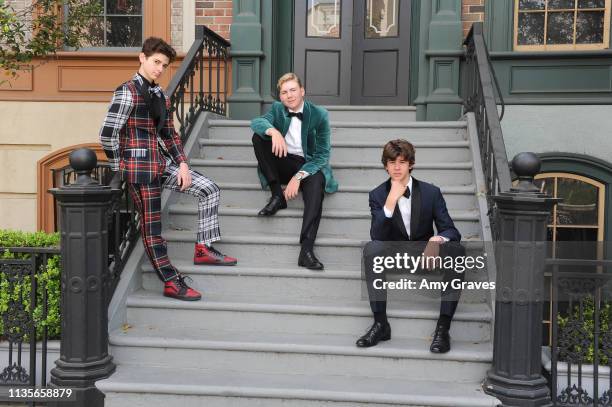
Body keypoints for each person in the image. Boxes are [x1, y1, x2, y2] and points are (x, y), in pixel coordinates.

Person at [99, 37, 237, 302]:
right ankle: (172, 282)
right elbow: (107, 134)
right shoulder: (126, 91)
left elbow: (169, 133)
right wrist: (121, 166)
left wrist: (183, 163)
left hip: (161, 165)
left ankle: (203, 248)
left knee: (209, 189)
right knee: (153, 231)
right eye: (156, 62)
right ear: (142, 58)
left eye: (163, 64)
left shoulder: (159, 93)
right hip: (139, 170)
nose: (159, 68)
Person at [356, 139, 463, 353]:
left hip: (425, 255)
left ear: (411, 164)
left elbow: (452, 231)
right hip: (394, 255)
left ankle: (443, 328)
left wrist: (437, 240)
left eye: (402, 162)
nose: (396, 167)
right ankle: (380, 324)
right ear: (385, 165)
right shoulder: (377, 195)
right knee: (371, 249)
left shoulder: (431, 193)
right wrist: (390, 202)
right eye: (391, 162)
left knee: (457, 251)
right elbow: (376, 236)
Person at [250, 73, 338, 270]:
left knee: (316, 185)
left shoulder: (319, 114)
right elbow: (256, 122)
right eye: (284, 92)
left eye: (293, 90)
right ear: (280, 97)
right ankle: (277, 195)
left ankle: (306, 250)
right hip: (284, 161)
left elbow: (322, 155)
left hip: (309, 165)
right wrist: (273, 132)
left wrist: (298, 177)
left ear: (302, 91)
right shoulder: (277, 109)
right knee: (258, 138)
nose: (289, 95)